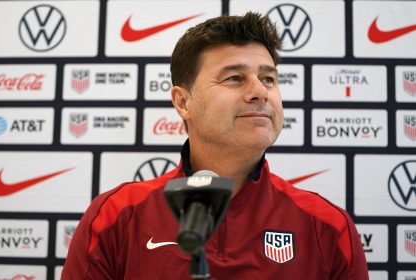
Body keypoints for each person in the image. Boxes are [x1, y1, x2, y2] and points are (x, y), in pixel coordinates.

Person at [62, 12, 368, 279]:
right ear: (183, 102)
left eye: (269, 79)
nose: (259, 92)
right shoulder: (114, 217)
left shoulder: (327, 226)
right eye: (235, 78)